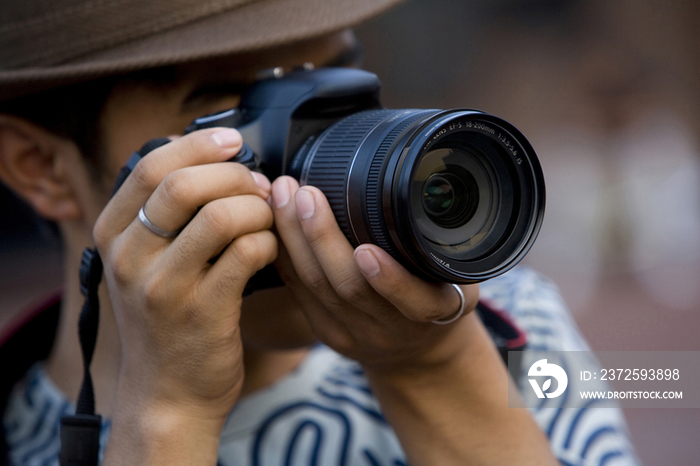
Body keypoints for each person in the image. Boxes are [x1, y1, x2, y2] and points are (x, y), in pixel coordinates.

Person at [0, 0, 639, 465]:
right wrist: (169, 418)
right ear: (43, 169)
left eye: (337, 86)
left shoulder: (517, 323)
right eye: (236, 114)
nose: (319, 145)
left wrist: (435, 366)